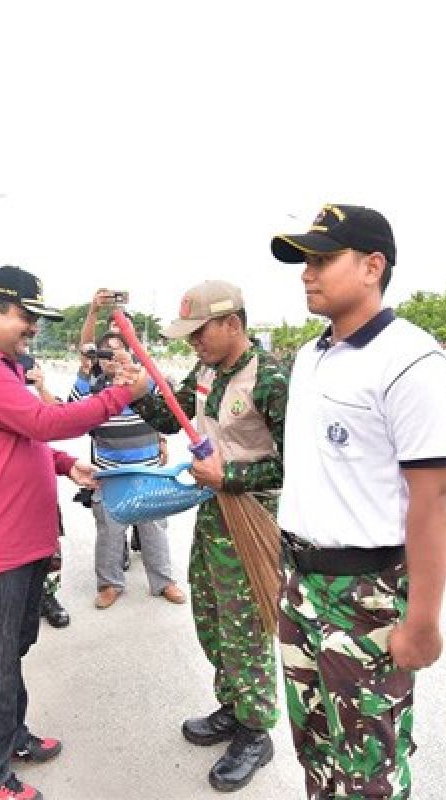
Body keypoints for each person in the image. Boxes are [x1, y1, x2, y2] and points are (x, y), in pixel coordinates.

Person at [0, 265, 152, 800]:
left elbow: (19, 437)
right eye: (26, 318)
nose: (32, 328)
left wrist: (63, 466)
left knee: (10, 648)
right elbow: (42, 422)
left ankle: (7, 737)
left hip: (21, 538)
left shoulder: (2, 365)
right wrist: (123, 394)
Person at [269, 205, 446, 800]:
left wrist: (422, 621)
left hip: (367, 596)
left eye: (322, 260)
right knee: (317, 750)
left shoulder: (410, 360)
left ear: (373, 266)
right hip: (300, 585)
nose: (307, 273)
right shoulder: (309, 357)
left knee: (370, 767)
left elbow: (433, 503)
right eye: (305, 261)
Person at [133, 280, 287, 792]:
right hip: (214, 514)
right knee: (213, 619)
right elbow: (170, 418)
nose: (191, 342)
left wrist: (232, 479)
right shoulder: (204, 370)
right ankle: (233, 704)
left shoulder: (271, 379)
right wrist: (138, 391)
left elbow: (297, 467)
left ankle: (255, 729)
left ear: (233, 324)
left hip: (253, 516)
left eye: (199, 332)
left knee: (247, 627)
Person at [73, 289, 184, 609]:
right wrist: (93, 314)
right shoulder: (91, 386)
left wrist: (162, 440)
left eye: (121, 350)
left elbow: (166, 415)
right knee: (109, 531)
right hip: (110, 473)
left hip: (149, 469)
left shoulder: (146, 380)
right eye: (106, 353)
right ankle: (109, 584)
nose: (113, 357)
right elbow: (85, 349)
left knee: (154, 528)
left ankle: (163, 581)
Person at [19, 351, 71, 630]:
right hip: (11, 489)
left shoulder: (38, 396)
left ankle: (48, 597)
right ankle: (26, 598)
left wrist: (40, 388)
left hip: (40, 487)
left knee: (50, 546)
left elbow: (59, 418)